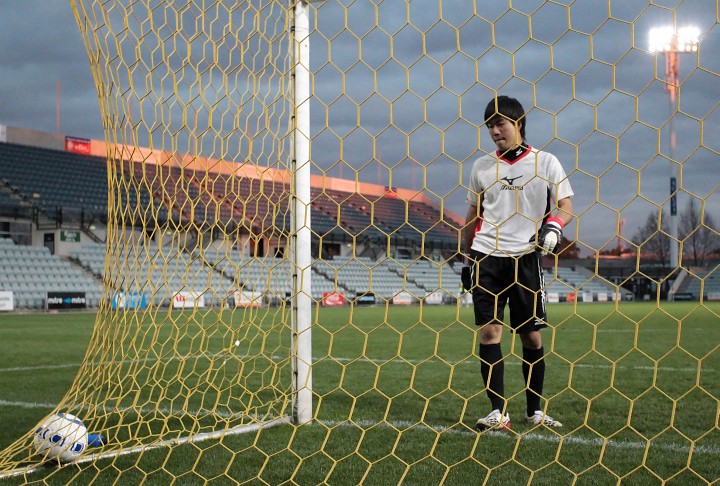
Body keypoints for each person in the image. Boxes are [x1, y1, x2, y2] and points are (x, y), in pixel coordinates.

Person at [461, 95, 574, 431]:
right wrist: (467, 260)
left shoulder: (546, 162)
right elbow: (472, 217)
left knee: (532, 338)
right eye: (490, 126)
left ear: (519, 124)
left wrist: (555, 225)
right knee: (489, 333)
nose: (495, 131)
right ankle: (498, 412)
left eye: (501, 124)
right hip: (486, 257)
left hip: (525, 259)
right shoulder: (481, 167)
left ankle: (534, 410)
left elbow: (565, 203)